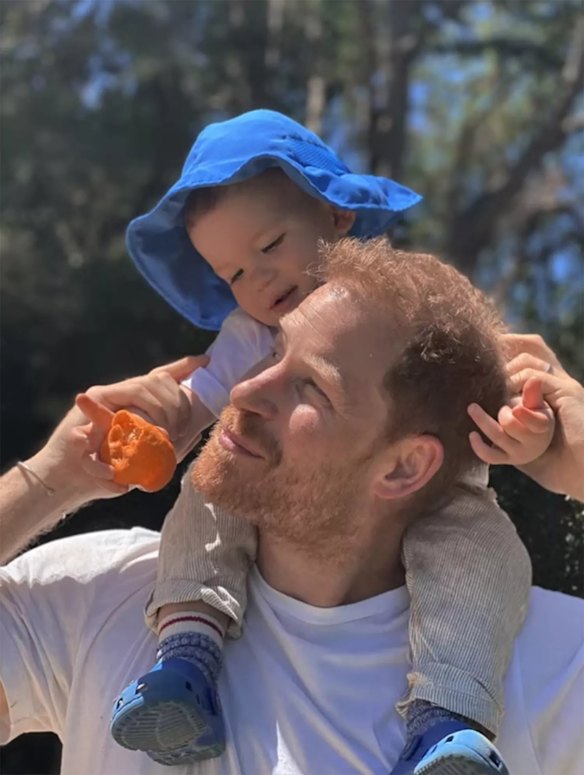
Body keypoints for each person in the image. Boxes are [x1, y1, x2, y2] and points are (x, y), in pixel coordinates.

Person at [1, 241, 582, 775]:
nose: (246, 391)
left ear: (404, 466)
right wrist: (51, 478)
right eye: (273, 349)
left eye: (311, 388)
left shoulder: (548, 661)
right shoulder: (107, 592)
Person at [97, 110, 551, 773]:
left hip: (436, 497)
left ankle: (447, 721)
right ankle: (187, 657)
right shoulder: (247, 340)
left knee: (483, 548)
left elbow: (484, 382)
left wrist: (525, 433)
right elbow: (201, 402)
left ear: (338, 216)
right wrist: (155, 427)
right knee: (209, 487)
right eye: (234, 276)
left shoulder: (406, 304)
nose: (258, 281)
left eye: (271, 244)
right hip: (291, 500)